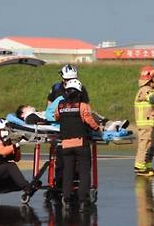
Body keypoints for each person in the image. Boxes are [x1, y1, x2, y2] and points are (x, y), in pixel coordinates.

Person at [54, 79, 100, 212]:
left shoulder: (60, 105)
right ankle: (82, 200)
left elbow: (56, 117)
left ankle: (66, 199)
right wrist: (97, 129)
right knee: (84, 172)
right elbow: (89, 120)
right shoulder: (82, 105)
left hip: (66, 144)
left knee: (68, 171)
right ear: (79, 92)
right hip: (81, 143)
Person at [0, 118, 34, 203]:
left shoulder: (8, 142)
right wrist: (17, 144)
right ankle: (27, 187)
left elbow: (16, 159)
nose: (6, 132)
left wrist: (18, 147)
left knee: (17, 183)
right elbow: (3, 151)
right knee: (10, 166)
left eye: (7, 130)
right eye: (3, 130)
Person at [133, 66, 154, 176]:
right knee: (145, 145)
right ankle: (140, 167)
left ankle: (148, 166)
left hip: (150, 123)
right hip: (145, 124)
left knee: (150, 145)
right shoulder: (145, 89)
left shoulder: (148, 89)